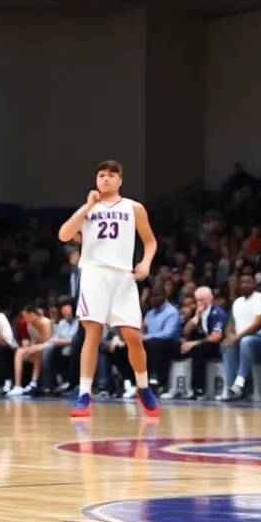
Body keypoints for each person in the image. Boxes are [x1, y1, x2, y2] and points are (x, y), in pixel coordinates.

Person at [59, 160, 159, 418]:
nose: (106, 179)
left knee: (133, 337)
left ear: (120, 180)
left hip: (123, 277)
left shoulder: (133, 208)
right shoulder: (88, 209)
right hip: (94, 274)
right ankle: (84, 395)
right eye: (101, 175)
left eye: (111, 175)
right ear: (96, 180)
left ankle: (143, 386)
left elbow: (149, 241)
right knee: (92, 334)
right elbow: (63, 234)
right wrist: (88, 205)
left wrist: (146, 262)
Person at [220, 275, 261, 401]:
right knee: (227, 344)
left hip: (260, 342)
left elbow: (258, 324)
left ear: (255, 284)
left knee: (246, 341)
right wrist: (231, 337)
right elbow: (230, 325)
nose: (244, 285)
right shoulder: (237, 302)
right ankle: (231, 388)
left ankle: (240, 380)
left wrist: (237, 337)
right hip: (240, 341)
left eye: (248, 282)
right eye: (242, 282)